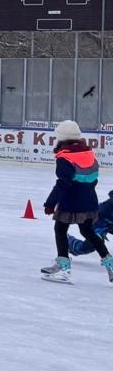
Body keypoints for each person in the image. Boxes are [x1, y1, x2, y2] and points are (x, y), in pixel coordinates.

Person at [40, 120, 113, 284]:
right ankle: (110, 264)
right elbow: (94, 179)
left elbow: (63, 183)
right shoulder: (89, 154)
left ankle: (63, 268)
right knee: (88, 231)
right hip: (89, 201)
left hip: (70, 202)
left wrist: (50, 203)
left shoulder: (64, 157)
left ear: (61, 137)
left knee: (60, 229)